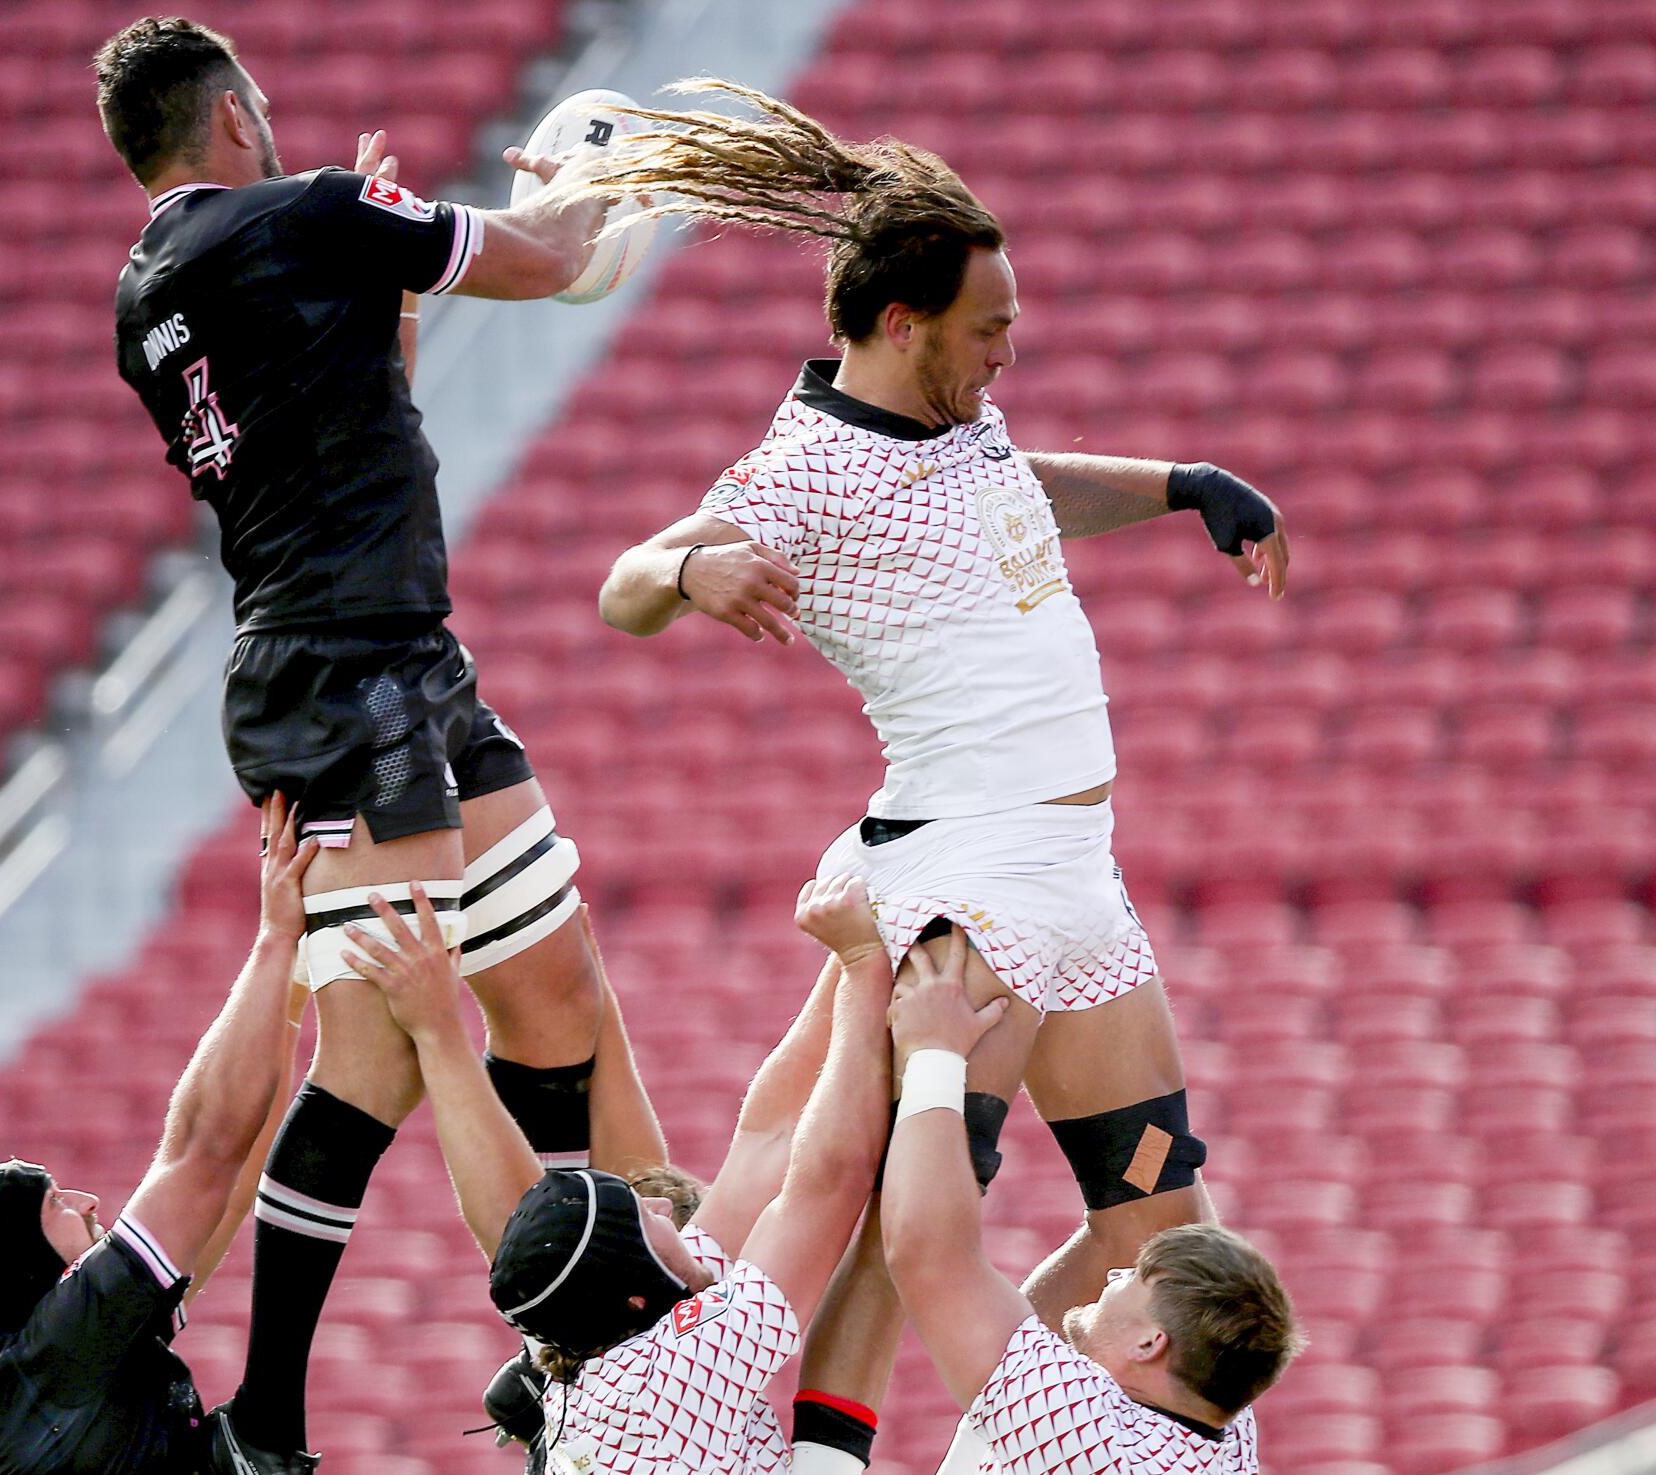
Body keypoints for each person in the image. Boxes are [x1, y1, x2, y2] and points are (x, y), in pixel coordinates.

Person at [583, 80, 1292, 1472]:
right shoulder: (804, 468)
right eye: (989, 329)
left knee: (1168, 1222)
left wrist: (1182, 483)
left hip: (1075, 883)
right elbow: (620, 587)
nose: (1008, 352)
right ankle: (802, 1451)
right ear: (902, 325)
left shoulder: (962, 430)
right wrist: (688, 567)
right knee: (908, 1199)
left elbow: (1024, 487)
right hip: (971, 877)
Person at [96, 18, 619, 1459]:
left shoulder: (148, 295)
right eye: (258, 107)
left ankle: (533, 1336)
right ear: (231, 116)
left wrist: (375, 289)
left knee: (557, 986)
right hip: (344, 673)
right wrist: (600, 168)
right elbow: (554, 258)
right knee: (384, 1045)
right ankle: (288, 1407)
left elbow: (351, 419)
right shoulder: (309, 209)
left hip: (399, 655)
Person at [342, 876, 928, 1473]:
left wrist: (866, 914)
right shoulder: (673, 1367)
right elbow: (827, 1182)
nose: (663, 1207)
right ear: (634, 1295)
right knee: (903, 1210)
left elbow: (769, 1136)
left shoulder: (626, 1321)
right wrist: (862, 961)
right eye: (641, 1221)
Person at [0, 794, 328, 1475]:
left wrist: (291, 987)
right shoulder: (64, 1346)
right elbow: (203, 1148)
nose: (85, 1200)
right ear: (20, 1258)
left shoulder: (36, 1362)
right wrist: (274, 937)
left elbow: (231, 1176)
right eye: (52, 1204)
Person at [882, 940, 1303, 1473]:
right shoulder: (1217, 1421)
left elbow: (926, 1256)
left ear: (1152, 1342)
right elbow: (1158, 1210)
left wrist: (934, 1053)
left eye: (1134, 1280)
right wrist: (1152, 1149)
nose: (1117, 1273)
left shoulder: (1092, 1441)